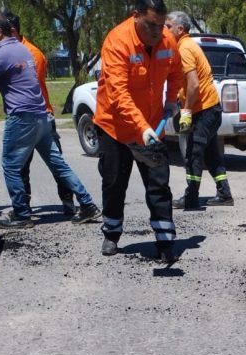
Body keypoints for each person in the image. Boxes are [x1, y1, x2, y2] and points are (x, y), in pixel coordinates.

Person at [0, 12, 101, 229]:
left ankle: (22, 215)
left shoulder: (1, 53)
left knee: (11, 166)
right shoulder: (22, 49)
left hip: (21, 117)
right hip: (41, 115)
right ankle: (88, 205)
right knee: (58, 164)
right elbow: (13, 81)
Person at [93, 0, 183, 262]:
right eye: (151, 25)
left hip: (152, 128)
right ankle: (111, 233)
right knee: (114, 183)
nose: (157, 32)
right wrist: (141, 127)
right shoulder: (117, 42)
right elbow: (118, 94)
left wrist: (171, 101)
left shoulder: (167, 41)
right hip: (115, 127)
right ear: (136, 16)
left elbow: (176, 72)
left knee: (158, 184)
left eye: (161, 25)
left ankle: (165, 240)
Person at [5, 12, 77, 216]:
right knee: (21, 165)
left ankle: (69, 201)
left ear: (12, 31)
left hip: (39, 115)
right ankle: (23, 205)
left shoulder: (31, 53)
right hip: (22, 115)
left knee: (56, 162)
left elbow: (26, 85)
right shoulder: (12, 51)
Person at [165, 11, 233, 209]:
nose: (165, 30)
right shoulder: (185, 46)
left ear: (180, 29)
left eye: (168, 27)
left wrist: (186, 111)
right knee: (211, 155)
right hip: (209, 110)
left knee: (194, 154)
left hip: (205, 112)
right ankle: (225, 195)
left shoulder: (184, 48)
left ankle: (191, 198)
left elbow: (193, 85)